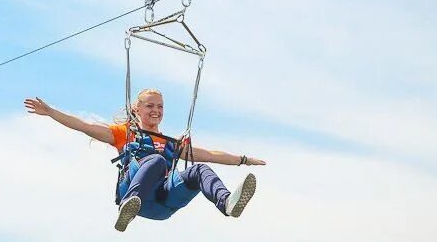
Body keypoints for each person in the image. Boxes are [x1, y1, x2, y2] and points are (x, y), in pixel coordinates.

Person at [24, 89, 265, 231]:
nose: (156, 110)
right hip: (136, 194)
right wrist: (51, 112)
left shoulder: (171, 144)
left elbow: (211, 154)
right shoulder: (124, 133)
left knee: (199, 168)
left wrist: (243, 159)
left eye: (160, 106)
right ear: (137, 109)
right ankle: (128, 205)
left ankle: (227, 204)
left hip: (163, 202)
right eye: (150, 106)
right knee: (157, 161)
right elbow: (84, 126)